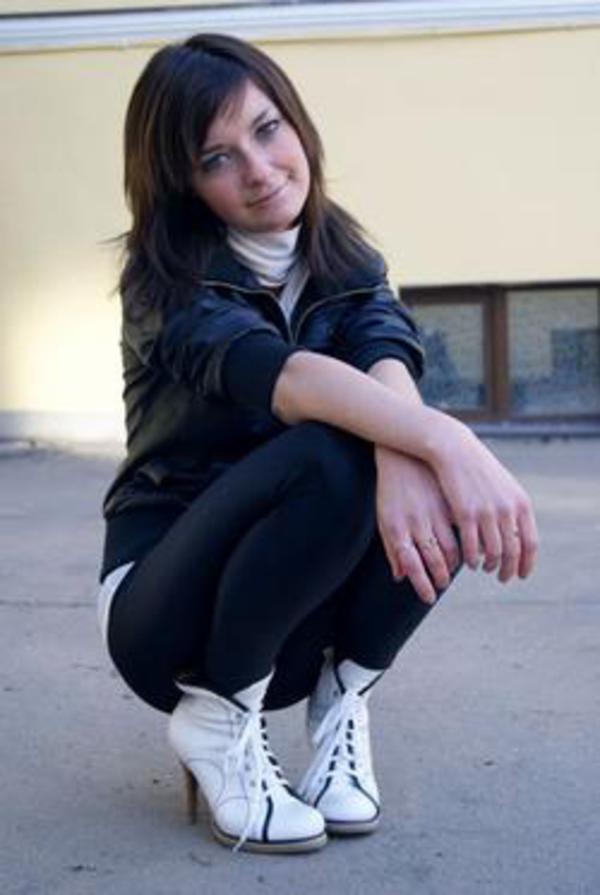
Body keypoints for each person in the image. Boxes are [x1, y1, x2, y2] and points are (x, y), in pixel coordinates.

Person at [97, 33, 538, 856]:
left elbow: (385, 350)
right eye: (217, 158)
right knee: (339, 454)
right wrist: (449, 440)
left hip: (289, 611)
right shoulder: (164, 283)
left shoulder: (346, 256)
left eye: (267, 129)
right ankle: (218, 715)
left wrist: (417, 456)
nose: (260, 169)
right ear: (183, 183)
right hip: (166, 607)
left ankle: (343, 693)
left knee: (401, 454)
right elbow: (285, 378)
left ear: (297, 122)